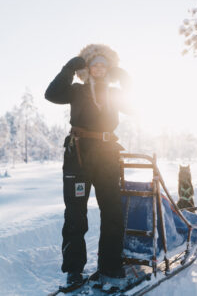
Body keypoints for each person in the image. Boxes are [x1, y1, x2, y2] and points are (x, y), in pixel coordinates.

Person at [45, 44, 131, 285]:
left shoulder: (114, 93)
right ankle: (74, 269)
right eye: (95, 64)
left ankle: (111, 266)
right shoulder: (75, 91)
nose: (99, 68)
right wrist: (68, 68)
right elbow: (51, 95)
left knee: (113, 211)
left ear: (109, 68)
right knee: (75, 214)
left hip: (106, 154)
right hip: (79, 155)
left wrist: (126, 80)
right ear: (88, 68)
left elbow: (134, 108)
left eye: (104, 65)